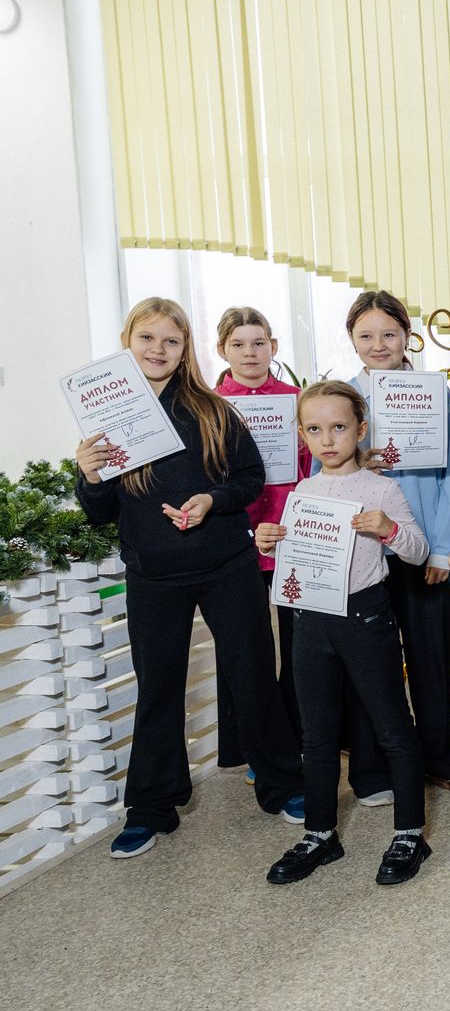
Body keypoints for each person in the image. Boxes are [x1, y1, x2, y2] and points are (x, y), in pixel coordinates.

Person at [76, 298, 304, 859]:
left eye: (171, 341)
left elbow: (250, 479)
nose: (158, 349)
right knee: (157, 689)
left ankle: (283, 784)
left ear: (185, 350)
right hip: (152, 576)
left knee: (253, 674)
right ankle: (151, 808)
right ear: (128, 342)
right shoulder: (107, 418)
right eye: (147, 338)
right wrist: (89, 476)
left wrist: (211, 499)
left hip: (227, 567)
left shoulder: (214, 410)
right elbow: (100, 513)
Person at [259, 381, 433, 886]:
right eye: (315, 430)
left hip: (365, 617)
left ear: (360, 430)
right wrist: (268, 542)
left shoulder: (382, 489)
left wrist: (388, 529)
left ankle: (410, 832)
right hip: (310, 620)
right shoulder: (302, 493)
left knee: (392, 726)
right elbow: (295, 559)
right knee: (316, 735)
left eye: (338, 427)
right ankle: (320, 834)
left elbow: (418, 550)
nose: (328, 439)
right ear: (302, 435)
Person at [345, 291, 450, 800]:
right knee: (370, 663)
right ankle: (375, 765)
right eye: (366, 335)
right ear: (352, 339)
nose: (378, 344)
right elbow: (321, 471)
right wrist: (357, 462)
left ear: (407, 336)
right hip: (364, 554)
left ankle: (442, 752)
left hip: (424, 552)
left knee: (432, 655)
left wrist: (443, 549)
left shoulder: (433, 392)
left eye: (389, 334)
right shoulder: (343, 398)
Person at [213, 306, 305, 771]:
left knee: (299, 646)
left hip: (294, 536)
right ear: (222, 350)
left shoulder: (297, 401)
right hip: (236, 541)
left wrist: (306, 447)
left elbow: (316, 467)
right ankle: (254, 749)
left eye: (258, 343)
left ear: (274, 347)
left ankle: (299, 738)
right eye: (238, 344)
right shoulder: (209, 407)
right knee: (246, 651)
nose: (249, 353)